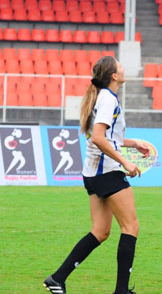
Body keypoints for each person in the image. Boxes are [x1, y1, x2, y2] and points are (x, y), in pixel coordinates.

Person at [43, 56, 150, 294]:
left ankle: (57, 279)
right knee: (131, 226)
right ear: (114, 75)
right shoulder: (108, 100)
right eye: (120, 66)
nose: (123, 68)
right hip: (107, 172)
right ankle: (121, 290)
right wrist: (126, 162)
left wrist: (133, 144)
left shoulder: (104, 98)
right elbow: (99, 138)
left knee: (100, 232)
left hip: (93, 173)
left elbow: (108, 137)